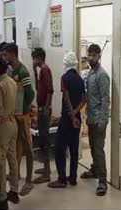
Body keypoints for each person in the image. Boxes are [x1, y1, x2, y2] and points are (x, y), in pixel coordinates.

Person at [2, 43, 35, 196]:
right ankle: (17, 174)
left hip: (23, 116)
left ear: (13, 55)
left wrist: (23, 111)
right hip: (16, 115)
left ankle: (29, 181)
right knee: (16, 146)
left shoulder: (22, 71)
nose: (4, 58)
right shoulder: (12, 71)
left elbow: (30, 94)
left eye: (6, 55)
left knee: (28, 147)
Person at [48, 51, 85, 188]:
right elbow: (83, 100)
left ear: (65, 64)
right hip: (76, 119)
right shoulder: (80, 79)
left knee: (59, 149)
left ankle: (62, 179)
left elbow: (66, 96)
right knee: (74, 150)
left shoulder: (64, 78)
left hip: (67, 119)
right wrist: (76, 113)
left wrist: (71, 113)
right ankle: (73, 178)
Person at [0, 57, 19, 210]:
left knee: (0, 161)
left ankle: (2, 198)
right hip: (14, 123)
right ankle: (14, 190)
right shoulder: (12, 82)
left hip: (4, 125)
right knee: (12, 158)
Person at [80, 44, 110, 196]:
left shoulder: (102, 75)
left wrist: (103, 120)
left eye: (94, 55)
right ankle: (94, 169)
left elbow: (105, 99)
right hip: (91, 118)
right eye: (89, 54)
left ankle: (103, 181)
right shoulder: (90, 72)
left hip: (99, 119)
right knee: (92, 147)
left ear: (99, 56)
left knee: (98, 150)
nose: (91, 58)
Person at [31, 48, 54, 184]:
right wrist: (34, 72)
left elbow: (50, 90)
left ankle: (47, 172)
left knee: (44, 141)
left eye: (34, 58)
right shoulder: (41, 71)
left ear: (39, 58)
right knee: (41, 139)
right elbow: (38, 88)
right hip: (40, 109)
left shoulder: (45, 70)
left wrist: (46, 108)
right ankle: (46, 168)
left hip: (44, 110)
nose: (33, 61)